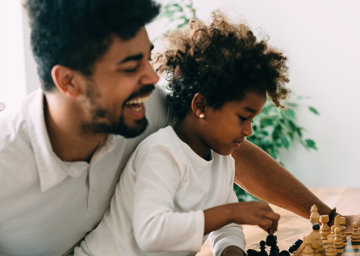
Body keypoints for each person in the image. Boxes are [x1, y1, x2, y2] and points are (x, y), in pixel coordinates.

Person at [0, 0, 360, 255]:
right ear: (68, 82)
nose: (152, 79)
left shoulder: (146, 109)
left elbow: (230, 155)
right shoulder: (6, 162)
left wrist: (332, 220)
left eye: (148, 59)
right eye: (129, 67)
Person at [74, 12, 286, 256]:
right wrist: (234, 212)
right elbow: (151, 233)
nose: (248, 130)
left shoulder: (222, 161)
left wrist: (232, 249)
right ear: (201, 106)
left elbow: (226, 228)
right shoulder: (162, 152)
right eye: (242, 117)